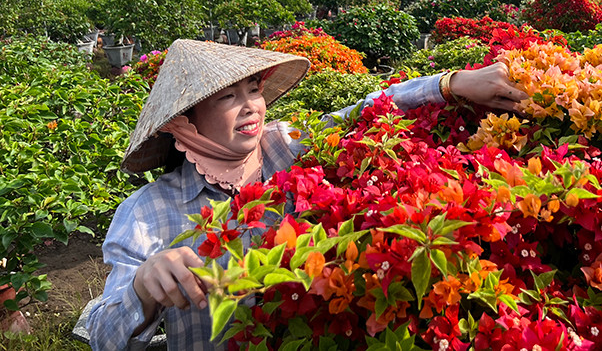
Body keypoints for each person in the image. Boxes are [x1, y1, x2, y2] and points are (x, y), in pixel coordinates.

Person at [86, 39, 527, 350]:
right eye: (227, 97)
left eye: (254, 90)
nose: (252, 107)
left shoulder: (286, 145)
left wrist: (452, 83)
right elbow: (105, 336)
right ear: (185, 121)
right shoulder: (148, 212)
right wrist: (144, 287)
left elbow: (367, 108)